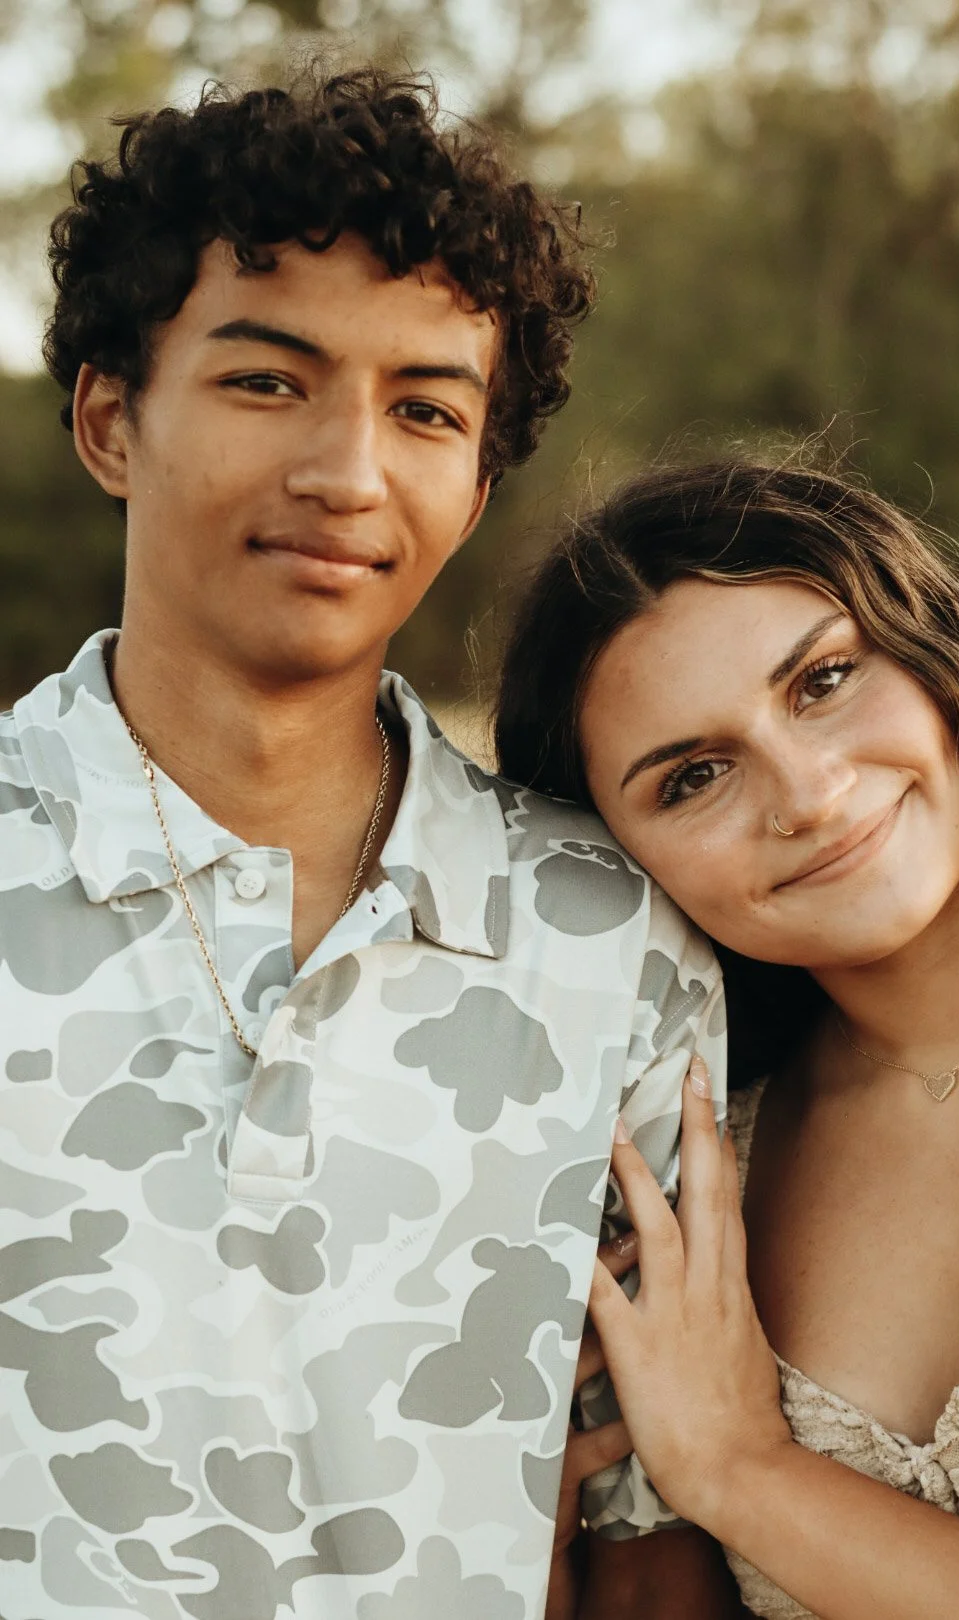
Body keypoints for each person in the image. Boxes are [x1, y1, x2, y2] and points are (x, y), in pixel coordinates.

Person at [0, 73, 730, 1619]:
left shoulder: (613, 941)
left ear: (475, 484)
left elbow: (647, 1535)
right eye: (270, 382)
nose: (348, 472)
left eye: (426, 410)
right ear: (113, 419)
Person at [495, 458, 959, 1618]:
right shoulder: (690, 1166)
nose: (806, 793)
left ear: (935, 644)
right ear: (621, 865)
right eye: (694, 776)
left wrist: (742, 1475)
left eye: (822, 681)